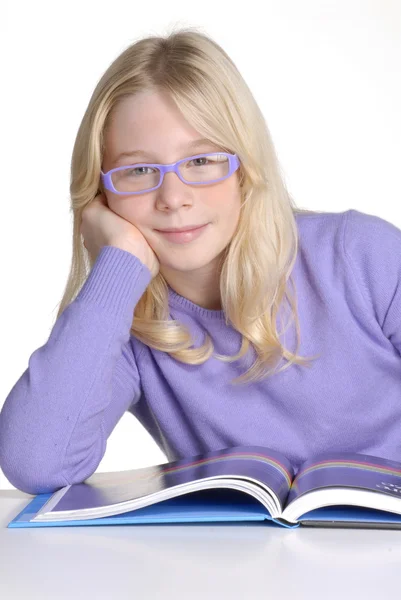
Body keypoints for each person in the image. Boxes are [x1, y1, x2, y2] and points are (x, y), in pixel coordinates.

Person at [1, 27, 401, 496]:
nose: (173, 198)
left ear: (244, 168)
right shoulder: (126, 325)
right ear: (101, 192)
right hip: (248, 567)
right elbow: (35, 462)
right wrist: (118, 263)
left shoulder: (360, 256)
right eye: (138, 170)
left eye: (201, 161)